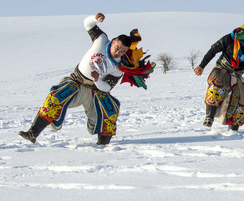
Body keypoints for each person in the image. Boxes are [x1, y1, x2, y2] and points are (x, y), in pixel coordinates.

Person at [19, 13, 154, 145]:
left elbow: (107, 87)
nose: (118, 52)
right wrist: (95, 18)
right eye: (117, 48)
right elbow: (87, 24)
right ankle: (33, 133)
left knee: (110, 109)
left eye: (122, 51)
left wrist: (97, 81)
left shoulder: (119, 67)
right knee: (56, 96)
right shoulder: (101, 40)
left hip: (94, 92)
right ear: (113, 42)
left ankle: (103, 144)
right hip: (76, 83)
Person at [194, 21, 244, 131]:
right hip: (222, 68)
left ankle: (233, 129)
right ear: (243, 31)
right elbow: (213, 50)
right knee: (216, 86)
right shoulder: (231, 38)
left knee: (240, 100)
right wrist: (201, 66)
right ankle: (209, 117)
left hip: (238, 75)